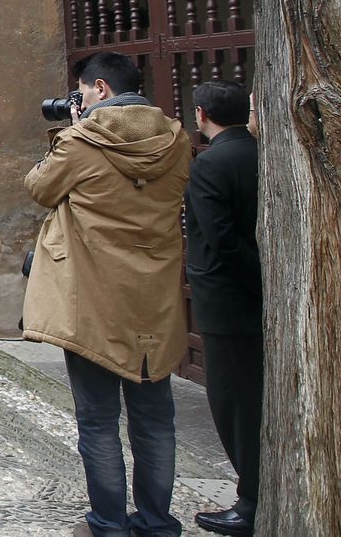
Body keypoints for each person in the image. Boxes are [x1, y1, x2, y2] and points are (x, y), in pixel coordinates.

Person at [22, 51, 192, 537]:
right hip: (152, 296)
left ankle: (107, 524)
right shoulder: (176, 140)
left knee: (98, 422)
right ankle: (158, 523)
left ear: (100, 89)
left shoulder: (80, 141)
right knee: (156, 420)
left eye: (83, 91)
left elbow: (39, 187)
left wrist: (71, 131)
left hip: (92, 295)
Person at [185, 80, 262, 537]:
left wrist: (255, 282)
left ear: (201, 115)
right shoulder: (259, 153)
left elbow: (222, 238)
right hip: (253, 297)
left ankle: (250, 502)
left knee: (233, 402)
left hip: (228, 300)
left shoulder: (211, 163)